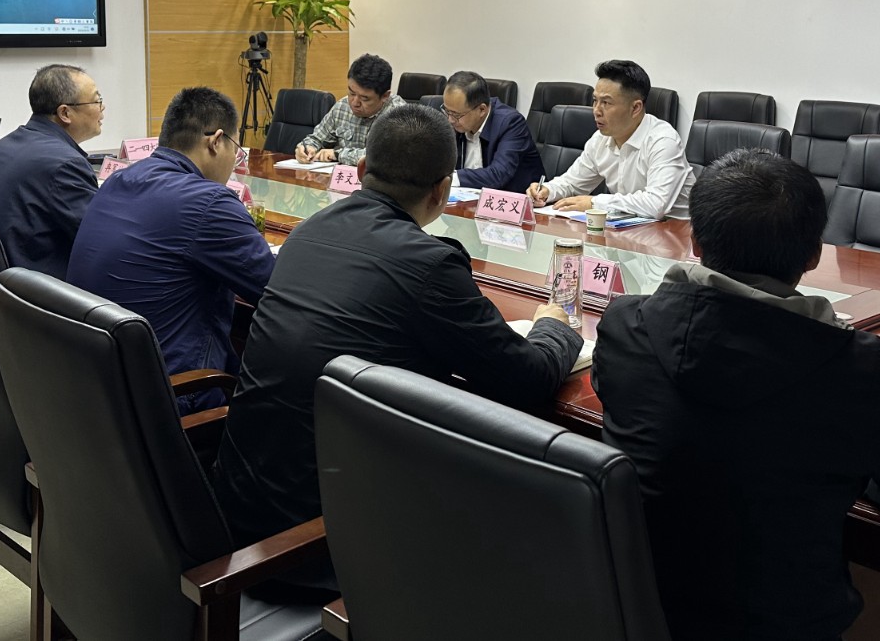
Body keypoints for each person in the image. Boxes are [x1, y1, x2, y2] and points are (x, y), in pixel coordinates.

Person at [591, 148, 880, 641]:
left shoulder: (623, 327)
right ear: (814, 255)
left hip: (638, 611)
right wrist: (861, 460)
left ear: (694, 241)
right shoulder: (851, 367)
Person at [213, 104, 584, 576]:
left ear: (362, 169)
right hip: (323, 543)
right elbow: (527, 380)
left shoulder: (307, 232)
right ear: (442, 190)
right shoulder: (430, 264)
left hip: (236, 516)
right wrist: (555, 326)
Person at [67, 87, 274, 415]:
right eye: (236, 150)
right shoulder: (209, 202)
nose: (235, 163)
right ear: (216, 141)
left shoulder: (118, 181)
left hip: (100, 389)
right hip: (177, 398)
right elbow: (277, 289)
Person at [0, 64, 103, 280]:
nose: (102, 108)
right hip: (39, 289)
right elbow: (99, 239)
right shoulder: (65, 164)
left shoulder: (5, 145)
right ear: (65, 113)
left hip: (0, 283)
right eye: (97, 101)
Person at [527, 59, 694, 220]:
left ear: (635, 108)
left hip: (676, 230)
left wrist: (594, 202)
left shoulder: (663, 140)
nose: (596, 111)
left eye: (606, 103)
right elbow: (572, 184)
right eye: (595, 101)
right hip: (629, 229)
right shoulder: (600, 139)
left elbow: (656, 204)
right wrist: (547, 190)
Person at [441, 70, 542, 192]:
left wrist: (450, 177)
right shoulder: (456, 121)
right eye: (447, 111)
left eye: (456, 115)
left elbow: (498, 175)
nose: (450, 119)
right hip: (466, 197)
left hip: (515, 199)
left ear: (482, 110)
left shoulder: (511, 123)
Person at [294, 53, 403, 166]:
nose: (355, 103)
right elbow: (317, 138)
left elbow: (383, 157)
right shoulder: (343, 106)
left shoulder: (399, 116)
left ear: (385, 96)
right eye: (352, 93)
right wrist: (306, 148)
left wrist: (338, 154)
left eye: (364, 98)